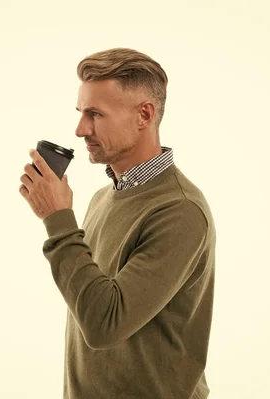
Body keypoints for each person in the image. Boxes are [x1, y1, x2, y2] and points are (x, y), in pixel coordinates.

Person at [19, 48, 216, 399]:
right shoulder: (102, 198)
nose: (80, 129)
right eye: (81, 113)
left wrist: (58, 219)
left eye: (95, 114)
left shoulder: (179, 211)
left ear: (144, 114)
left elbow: (103, 326)